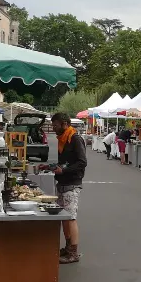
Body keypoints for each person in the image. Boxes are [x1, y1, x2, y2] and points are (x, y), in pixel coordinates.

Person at [39, 113, 87, 264]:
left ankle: (73, 252)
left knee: (71, 218)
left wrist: (63, 171)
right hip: (62, 182)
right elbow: (64, 162)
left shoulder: (75, 138)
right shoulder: (63, 140)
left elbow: (82, 162)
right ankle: (67, 248)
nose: (53, 128)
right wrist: (49, 166)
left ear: (65, 124)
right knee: (64, 218)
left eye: (56, 125)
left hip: (72, 183)